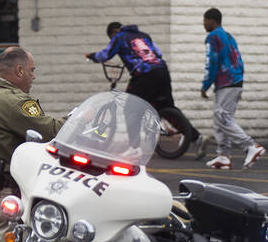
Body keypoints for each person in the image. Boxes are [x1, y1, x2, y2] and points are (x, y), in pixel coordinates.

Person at [0, 46, 65, 242]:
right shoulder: (12, 100)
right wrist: (78, 118)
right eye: (32, 70)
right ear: (20, 71)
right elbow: (51, 130)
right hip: (9, 189)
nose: (33, 77)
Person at [87, 21, 202, 155]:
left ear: (113, 32)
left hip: (144, 75)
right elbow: (158, 53)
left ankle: (134, 148)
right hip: (162, 70)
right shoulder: (143, 35)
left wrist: (92, 57)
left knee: (130, 107)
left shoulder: (119, 37)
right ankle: (196, 137)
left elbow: (105, 55)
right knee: (166, 107)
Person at [200, 8, 265, 170]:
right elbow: (238, 58)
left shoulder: (213, 37)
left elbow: (212, 62)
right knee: (219, 118)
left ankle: (250, 146)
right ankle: (223, 156)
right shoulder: (228, 36)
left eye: (205, 20)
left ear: (212, 21)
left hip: (226, 82)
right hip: (234, 80)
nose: (203, 24)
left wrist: (205, 85)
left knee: (223, 117)